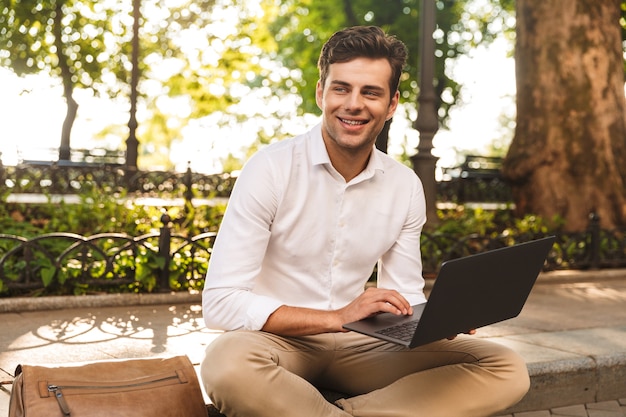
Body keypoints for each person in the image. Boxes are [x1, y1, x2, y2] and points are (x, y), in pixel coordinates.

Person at [201, 25, 530, 417]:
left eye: (370, 92)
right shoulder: (270, 169)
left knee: (506, 367)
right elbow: (220, 303)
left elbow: (404, 295)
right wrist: (336, 318)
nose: (353, 104)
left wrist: (436, 320)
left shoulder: (405, 185)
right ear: (321, 93)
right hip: (277, 341)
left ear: (391, 105)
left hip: (364, 344)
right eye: (342, 88)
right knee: (225, 364)